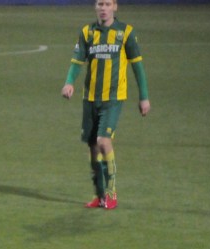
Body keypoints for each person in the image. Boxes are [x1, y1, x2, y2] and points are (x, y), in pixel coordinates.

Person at [61, 0, 150, 209]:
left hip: (113, 98)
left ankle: (112, 192)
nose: (103, 8)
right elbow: (77, 62)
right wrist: (69, 83)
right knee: (93, 148)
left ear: (115, 7)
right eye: (100, 3)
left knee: (103, 140)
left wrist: (143, 97)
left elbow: (138, 67)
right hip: (90, 98)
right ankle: (100, 196)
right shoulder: (87, 32)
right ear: (95, 7)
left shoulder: (125, 33)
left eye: (107, 4)